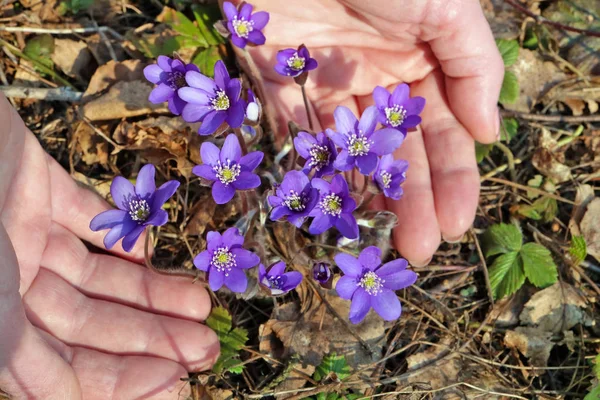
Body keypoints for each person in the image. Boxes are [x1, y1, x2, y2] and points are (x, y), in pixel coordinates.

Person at [0, 0, 503, 397]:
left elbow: (331, 188)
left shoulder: (349, 171)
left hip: (297, 184)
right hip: (275, 184)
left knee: (321, 209)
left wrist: (342, 189)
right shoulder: (237, 160)